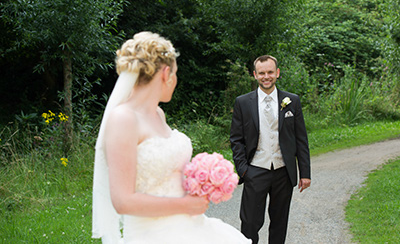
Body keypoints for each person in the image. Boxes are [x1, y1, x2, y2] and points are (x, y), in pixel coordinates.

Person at [92, 31, 251, 244]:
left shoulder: (158, 114)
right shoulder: (124, 118)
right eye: (175, 73)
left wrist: (205, 180)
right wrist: (186, 205)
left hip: (190, 227)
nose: (175, 80)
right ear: (166, 73)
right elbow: (123, 201)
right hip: (153, 235)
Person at [230, 55, 311, 244]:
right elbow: (236, 139)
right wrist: (243, 169)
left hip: (283, 171)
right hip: (255, 170)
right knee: (249, 223)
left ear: (277, 73)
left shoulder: (292, 100)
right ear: (255, 75)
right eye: (262, 73)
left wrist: (305, 173)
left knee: (279, 223)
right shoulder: (243, 102)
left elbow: (301, 139)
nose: (266, 76)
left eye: (270, 72)